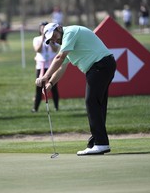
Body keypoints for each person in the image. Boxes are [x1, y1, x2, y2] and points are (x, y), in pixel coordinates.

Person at [35, 23, 116, 156]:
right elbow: (62, 67)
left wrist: (44, 76)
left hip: (100, 66)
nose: (54, 40)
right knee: (97, 104)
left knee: (92, 102)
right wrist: (50, 83)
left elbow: (59, 58)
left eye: (54, 36)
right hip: (103, 66)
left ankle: (101, 143)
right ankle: (97, 142)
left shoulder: (71, 32)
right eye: (51, 40)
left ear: (59, 28)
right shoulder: (67, 43)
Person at [32, 22, 60, 113]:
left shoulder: (53, 39)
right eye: (42, 28)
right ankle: (35, 108)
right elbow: (38, 50)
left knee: (53, 86)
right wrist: (43, 39)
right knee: (39, 87)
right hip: (41, 66)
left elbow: (55, 49)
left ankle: (56, 107)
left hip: (51, 65)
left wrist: (49, 40)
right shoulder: (36, 39)